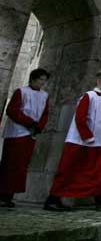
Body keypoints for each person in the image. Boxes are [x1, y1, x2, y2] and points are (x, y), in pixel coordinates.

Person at [44, 72, 101, 211]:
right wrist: (87, 136)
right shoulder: (88, 96)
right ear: (99, 82)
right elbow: (80, 117)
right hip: (79, 141)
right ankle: (53, 199)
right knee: (68, 169)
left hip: (97, 142)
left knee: (97, 170)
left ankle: (100, 197)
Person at [0, 69, 50, 207]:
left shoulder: (45, 95)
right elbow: (12, 110)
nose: (42, 83)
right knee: (10, 164)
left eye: (45, 80)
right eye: (41, 79)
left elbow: (45, 113)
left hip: (31, 134)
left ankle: (9, 196)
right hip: (17, 132)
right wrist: (29, 123)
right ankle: (3, 195)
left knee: (21, 166)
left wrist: (39, 126)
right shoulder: (21, 91)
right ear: (33, 79)